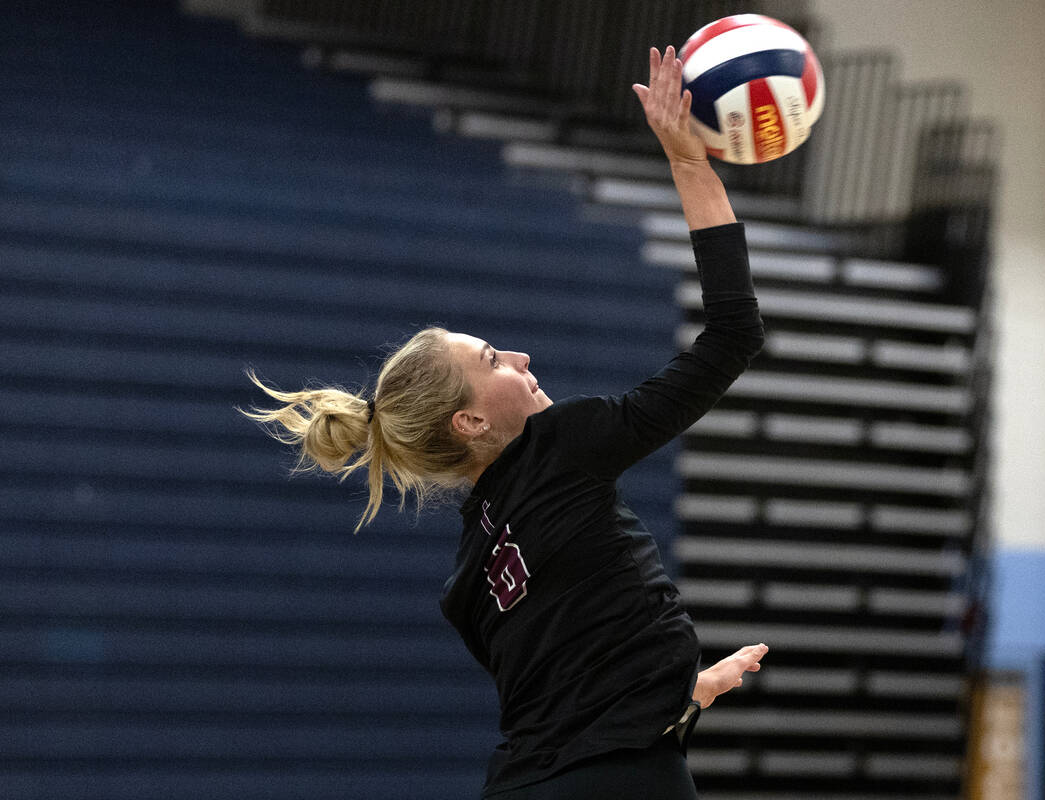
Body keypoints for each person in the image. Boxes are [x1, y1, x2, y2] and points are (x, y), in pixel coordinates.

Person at [243, 46, 768, 799]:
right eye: (493, 358)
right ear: (468, 419)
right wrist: (689, 163)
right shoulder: (561, 451)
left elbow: (570, 707)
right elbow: (733, 333)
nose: (521, 356)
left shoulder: (473, 579)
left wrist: (684, 692)